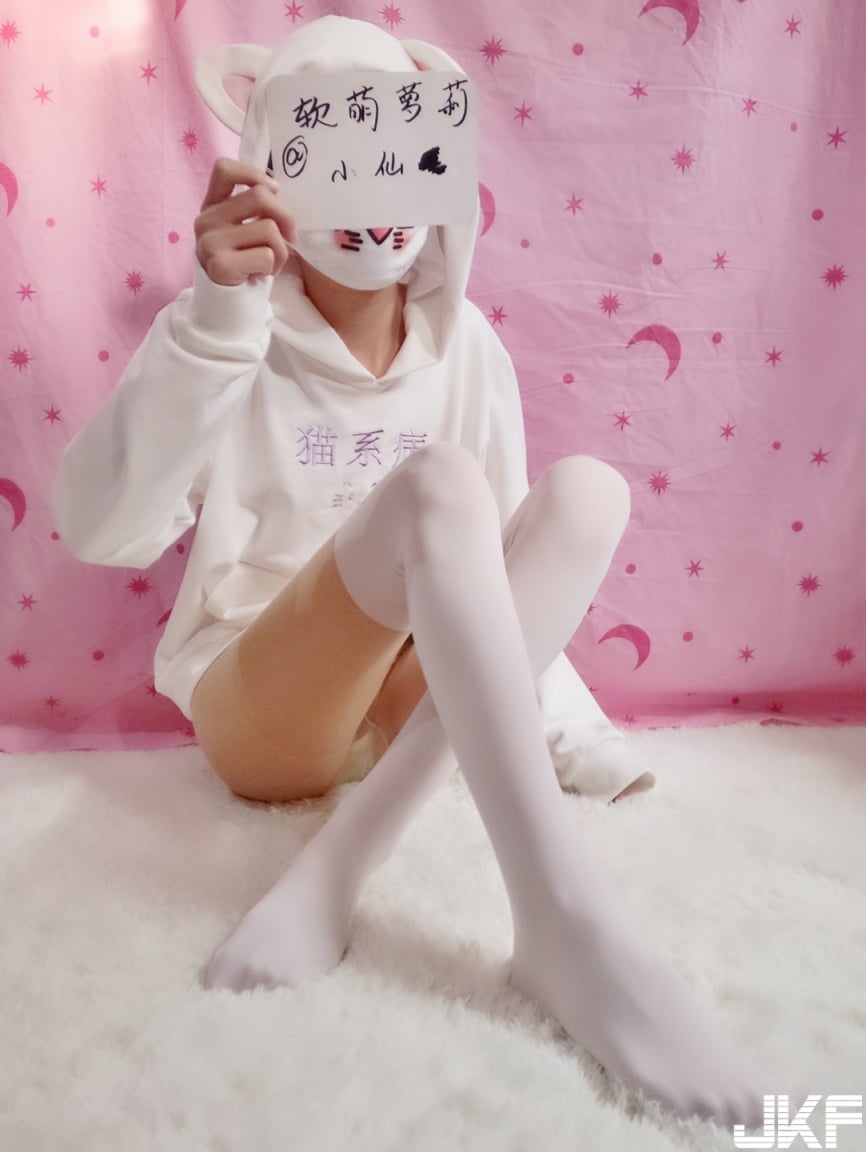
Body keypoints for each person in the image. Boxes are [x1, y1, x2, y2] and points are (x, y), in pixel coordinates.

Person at [51, 15, 780, 1131]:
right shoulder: (221, 333)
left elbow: (496, 579)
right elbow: (103, 532)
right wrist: (216, 324)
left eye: (395, 151)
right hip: (266, 712)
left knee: (587, 492)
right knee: (440, 487)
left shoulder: (468, 344)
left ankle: (342, 862)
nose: (373, 196)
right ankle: (565, 916)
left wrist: (572, 731)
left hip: (408, 706)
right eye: (332, 154)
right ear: (277, 165)